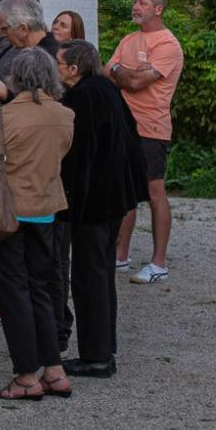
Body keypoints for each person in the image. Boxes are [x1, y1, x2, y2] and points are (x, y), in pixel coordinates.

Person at [0, 48, 75, 400]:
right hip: (46, 210)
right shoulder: (65, 115)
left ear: (16, 78)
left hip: (9, 213)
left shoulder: (3, 118)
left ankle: (26, 375)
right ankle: (54, 369)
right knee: (42, 290)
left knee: (14, 294)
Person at [55, 39, 145, 377]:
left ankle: (96, 356)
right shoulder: (105, 89)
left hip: (96, 200)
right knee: (101, 273)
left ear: (74, 68)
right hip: (114, 196)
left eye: (59, 62)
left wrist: (68, 203)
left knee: (89, 275)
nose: (56, 66)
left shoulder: (83, 97)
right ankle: (102, 348)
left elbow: (81, 156)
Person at [0, 0, 67, 335]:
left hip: (41, 178)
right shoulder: (36, 50)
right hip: (41, 178)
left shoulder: (48, 54)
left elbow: (48, 108)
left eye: (5, 30)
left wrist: (6, 97)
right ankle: (50, 335)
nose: (4, 37)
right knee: (43, 266)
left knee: (47, 266)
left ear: (20, 26)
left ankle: (53, 333)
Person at [108, 0, 184, 284]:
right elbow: (106, 70)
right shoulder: (129, 39)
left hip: (151, 128)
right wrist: (124, 70)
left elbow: (138, 83)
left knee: (154, 192)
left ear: (158, 9)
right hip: (123, 126)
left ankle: (158, 263)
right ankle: (120, 256)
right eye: (134, 1)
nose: (135, 6)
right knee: (125, 192)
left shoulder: (168, 44)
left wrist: (122, 72)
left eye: (142, 3)